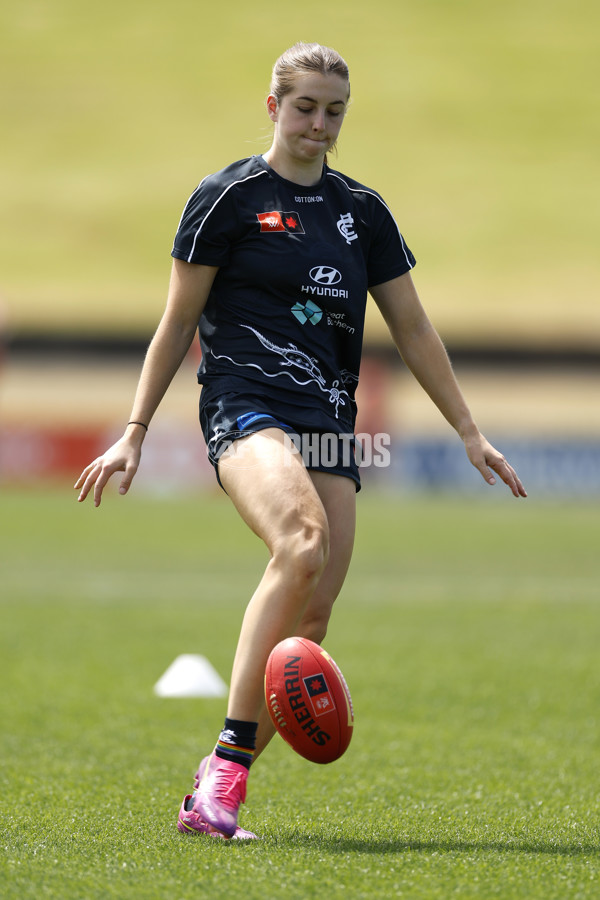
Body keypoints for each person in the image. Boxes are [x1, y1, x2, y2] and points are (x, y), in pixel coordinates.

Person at [75, 42, 527, 841]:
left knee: (311, 621)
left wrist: (469, 430)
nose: (320, 123)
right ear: (273, 106)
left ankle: (217, 793)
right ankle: (221, 769)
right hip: (245, 407)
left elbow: (413, 327)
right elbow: (177, 323)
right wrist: (135, 430)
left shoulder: (363, 211)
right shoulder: (229, 198)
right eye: (306, 106)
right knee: (301, 541)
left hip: (328, 425)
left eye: (334, 110)